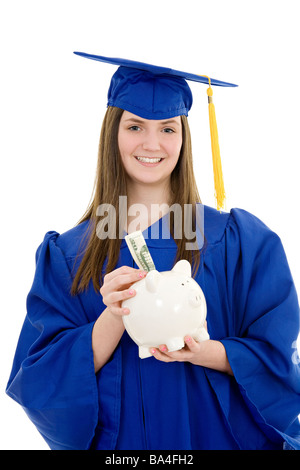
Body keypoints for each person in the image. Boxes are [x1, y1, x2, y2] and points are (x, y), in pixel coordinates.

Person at [6, 52, 300, 450]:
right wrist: (114, 317)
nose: (151, 143)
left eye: (168, 129)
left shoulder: (239, 242)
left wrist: (203, 351)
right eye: (135, 126)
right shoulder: (70, 254)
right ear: (113, 132)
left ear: (184, 138)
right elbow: (40, 381)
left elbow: (279, 359)